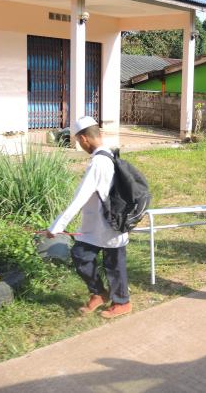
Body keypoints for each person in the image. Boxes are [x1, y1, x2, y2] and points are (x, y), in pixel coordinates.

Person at [46, 116, 132, 319]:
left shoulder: (99, 163)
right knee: (81, 255)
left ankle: (122, 302)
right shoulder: (108, 154)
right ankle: (99, 293)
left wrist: (57, 226)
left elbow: (79, 199)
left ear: (84, 139)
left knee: (114, 265)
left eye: (78, 141)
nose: (80, 145)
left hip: (110, 223)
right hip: (96, 225)